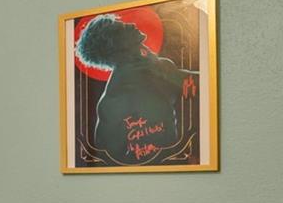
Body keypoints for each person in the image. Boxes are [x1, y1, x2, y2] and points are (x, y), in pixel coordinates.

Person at [75, 14, 197, 165]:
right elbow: (107, 162)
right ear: (117, 45)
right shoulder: (115, 100)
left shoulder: (158, 68)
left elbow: (202, 87)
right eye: (123, 29)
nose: (131, 25)